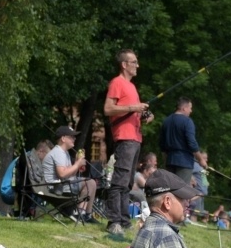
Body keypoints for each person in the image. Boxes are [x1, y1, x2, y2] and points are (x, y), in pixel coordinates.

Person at [103, 49, 154, 235]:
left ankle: (124, 221)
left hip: (135, 137)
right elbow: (108, 109)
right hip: (124, 138)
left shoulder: (132, 87)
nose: (137, 65)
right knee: (119, 181)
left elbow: (131, 112)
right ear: (124, 64)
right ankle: (113, 222)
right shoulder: (117, 82)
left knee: (127, 182)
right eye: (134, 62)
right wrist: (134, 107)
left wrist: (144, 115)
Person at [42, 126, 99, 224]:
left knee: (91, 182)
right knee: (90, 183)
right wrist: (77, 164)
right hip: (56, 187)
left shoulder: (64, 153)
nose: (74, 139)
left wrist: (77, 165)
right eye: (71, 137)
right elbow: (62, 174)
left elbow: (69, 174)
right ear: (63, 138)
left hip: (62, 184)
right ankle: (80, 214)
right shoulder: (58, 152)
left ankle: (86, 215)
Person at [159, 97, 207, 183]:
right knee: (181, 191)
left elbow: (162, 144)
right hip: (184, 161)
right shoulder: (187, 121)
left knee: (170, 190)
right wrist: (201, 159)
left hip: (169, 160)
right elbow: (192, 143)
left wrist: (165, 160)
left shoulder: (166, 121)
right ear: (184, 108)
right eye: (190, 108)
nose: (191, 111)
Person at [189, 151, 209, 221]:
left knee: (199, 211)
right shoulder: (195, 165)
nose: (206, 160)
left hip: (202, 194)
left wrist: (207, 183)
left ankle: (201, 222)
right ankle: (192, 224)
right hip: (197, 193)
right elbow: (188, 173)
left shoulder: (203, 168)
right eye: (204, 158)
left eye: (206, 158)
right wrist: (192, 179)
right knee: (195, 212)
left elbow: (204, 180)